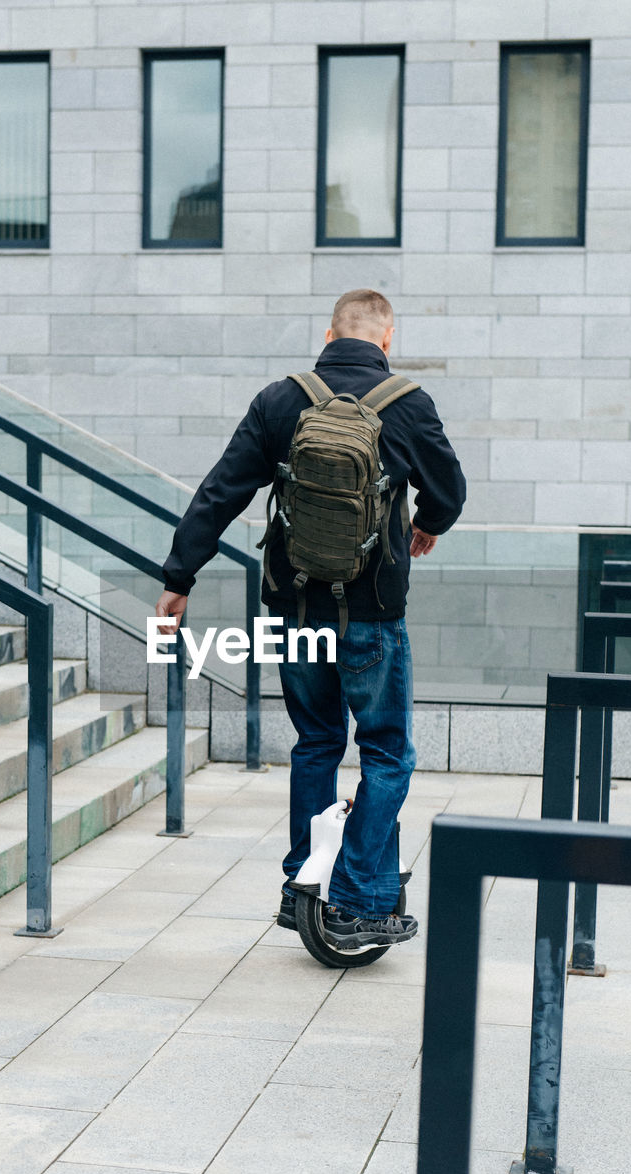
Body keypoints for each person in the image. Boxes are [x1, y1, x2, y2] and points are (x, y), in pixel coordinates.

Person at [156, 289, 465, 949]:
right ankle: (356, 896)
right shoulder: (408, 403)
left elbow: (221, 492)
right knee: (386, 751)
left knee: (316, 745)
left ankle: (303, 880)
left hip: (295, 611)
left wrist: (178, 578)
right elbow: (449, 491)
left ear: (328, 334)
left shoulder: (279, 399)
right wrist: (429, 522)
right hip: (374, 616)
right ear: (386, 340)